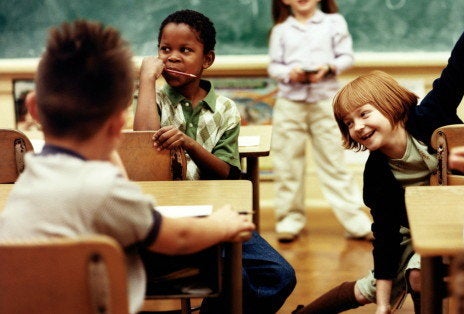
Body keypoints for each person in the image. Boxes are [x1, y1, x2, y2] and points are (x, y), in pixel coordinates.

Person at [0, 20, 255, 314]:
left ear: (33, 108)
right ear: (119, 124)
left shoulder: (28, 179)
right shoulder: (110, 195)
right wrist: (221, 225)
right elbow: (179, 238)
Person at [294, 0, 464, 313]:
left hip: (461, 219)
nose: (358, 127)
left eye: (364, 114)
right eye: (349, 123)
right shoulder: (377, 173)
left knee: (422, 276)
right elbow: (386, 238)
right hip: (410, 234)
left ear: (391, 103)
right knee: (372, 288)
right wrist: (382, 305)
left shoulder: (433, 114)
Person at [133, 9, 296, 313]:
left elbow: (229, 175)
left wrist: (191, 145)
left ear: (207, 59)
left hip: (216, 211)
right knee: (238, 278)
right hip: (167, 216)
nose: (172, 58)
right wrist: (145, 80)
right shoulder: (151, 100)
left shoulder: (225, 110)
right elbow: (143, 142)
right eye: (165, 49)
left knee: (280, 276)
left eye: (185, 50)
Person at [267, 0, 373, 242]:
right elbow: (274, 66)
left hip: (325, 101)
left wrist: (329, 67)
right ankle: (289, 219)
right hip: (290, 103)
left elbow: (347, 56)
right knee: (287, 163)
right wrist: (289, 73)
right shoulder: (281, 29)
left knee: (333, 161)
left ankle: (355, 221)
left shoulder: (334, 22)